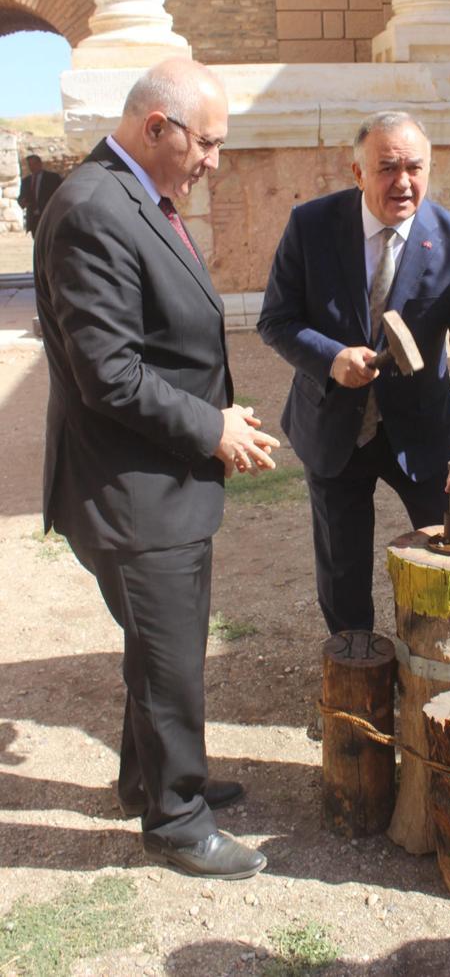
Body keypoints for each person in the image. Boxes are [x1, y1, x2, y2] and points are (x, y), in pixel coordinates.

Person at [34, 58, 280, 879]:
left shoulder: (134, 195)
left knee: (158, 647)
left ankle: (147, 777)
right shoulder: (94, 208)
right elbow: (110, 372)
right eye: (206, 142)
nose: (214, 159)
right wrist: (210, 427)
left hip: (161, 482)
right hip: (135, 491)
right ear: (155, 128)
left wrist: (215, 418)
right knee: (172, 658)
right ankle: (176, 818)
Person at [258, 110, 450, 635]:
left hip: (422, 430)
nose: (404, 182)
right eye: (387, 168)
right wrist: (330, 358)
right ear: (357, 171)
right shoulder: (311, 226)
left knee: (445, 555)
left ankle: (440, 662)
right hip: (333, 427)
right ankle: (354, 666)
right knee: (342, 570)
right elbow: (276, 320)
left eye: (415, 167)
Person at [18, 154, 62, 237]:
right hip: (33, 219)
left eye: (34, 164)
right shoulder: (26, 181)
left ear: (40, 164)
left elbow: (60, 195)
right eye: (30, 165)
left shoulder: (52, 178)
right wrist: (22, 202)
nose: (32, 167)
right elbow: (21, 198)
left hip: (48, 216)